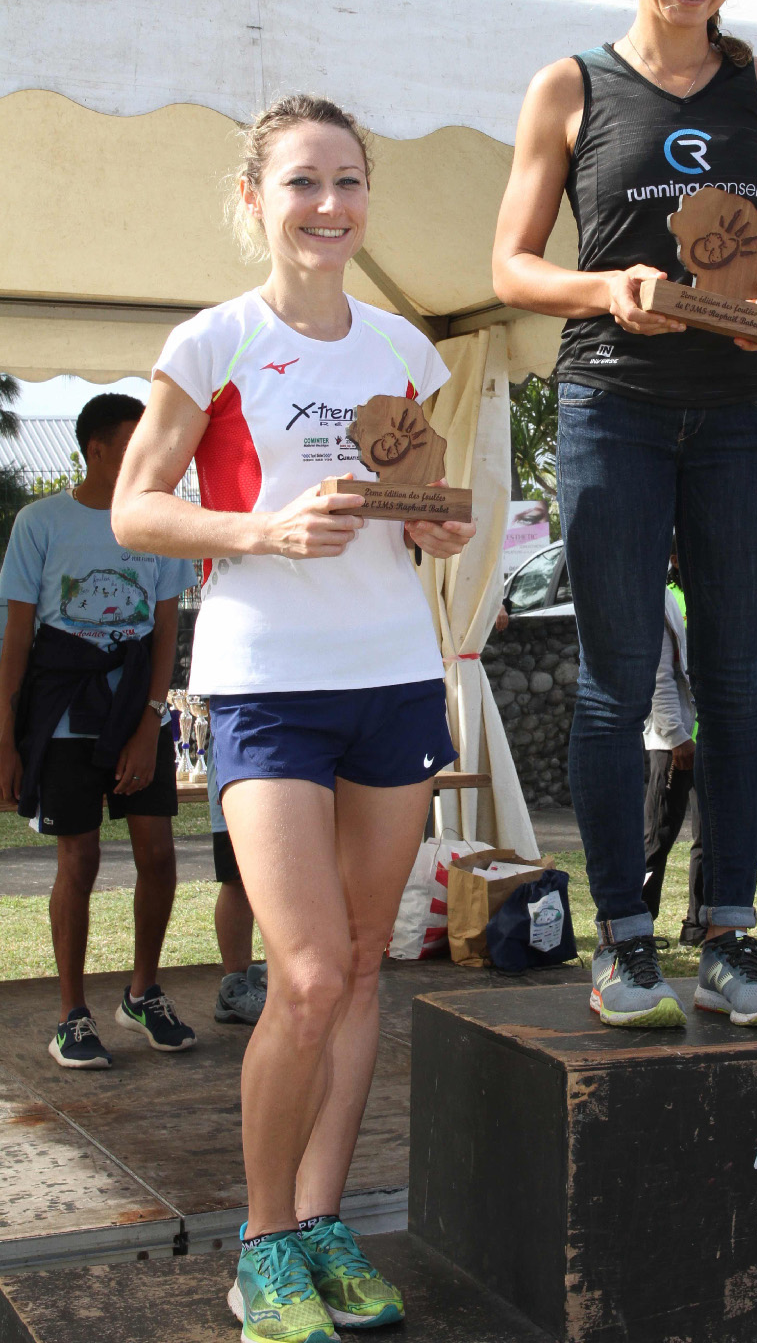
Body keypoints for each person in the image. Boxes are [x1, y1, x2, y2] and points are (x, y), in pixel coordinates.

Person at [111, 94, 475, 1343]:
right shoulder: (211, 342)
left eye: (349, 182)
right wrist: (257, 530)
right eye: (303, 183)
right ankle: (262, 1243)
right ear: (256, 199)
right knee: (308, 973)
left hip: (391, 674)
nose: (329, 206)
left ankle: (325, 1224)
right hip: (265, 679)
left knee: (368, 966)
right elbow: (136, 512)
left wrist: (435, 521)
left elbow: (422, 497)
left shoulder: (407, 351)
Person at [493, 0, 757, 1029]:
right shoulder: (570, 88)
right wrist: (604, 285)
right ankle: (623, 945)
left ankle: (728, 937)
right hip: (612, 406)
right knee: (618, 687)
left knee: (733, 684)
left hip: (743, 409)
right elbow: (510, 266)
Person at [0, 394, 196, 1068]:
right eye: (135, 442)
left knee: (160, 857)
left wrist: (149, 720)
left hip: (136, 711)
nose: (152, 455)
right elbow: (18, 633)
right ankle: (71, 1015)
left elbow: (166, 627)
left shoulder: (160, 522)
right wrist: (4, 736)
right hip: (65, 716)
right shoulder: (41, 522)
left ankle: (143, 993)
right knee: (77, 862)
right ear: (99, 451)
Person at [641, 567, 704, 942]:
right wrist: (676, 736)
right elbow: (659, 677)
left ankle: (698, 925)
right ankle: (640, 925)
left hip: (691, 734)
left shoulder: (670, 595)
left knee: (704, 835)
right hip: (672, 741)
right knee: (658, 835)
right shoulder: (656, 597)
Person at [208, 741, 267, 1025]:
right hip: (238, 754)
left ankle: (276, 975)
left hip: (295, 759)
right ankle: (234, 987)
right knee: (237, 877)